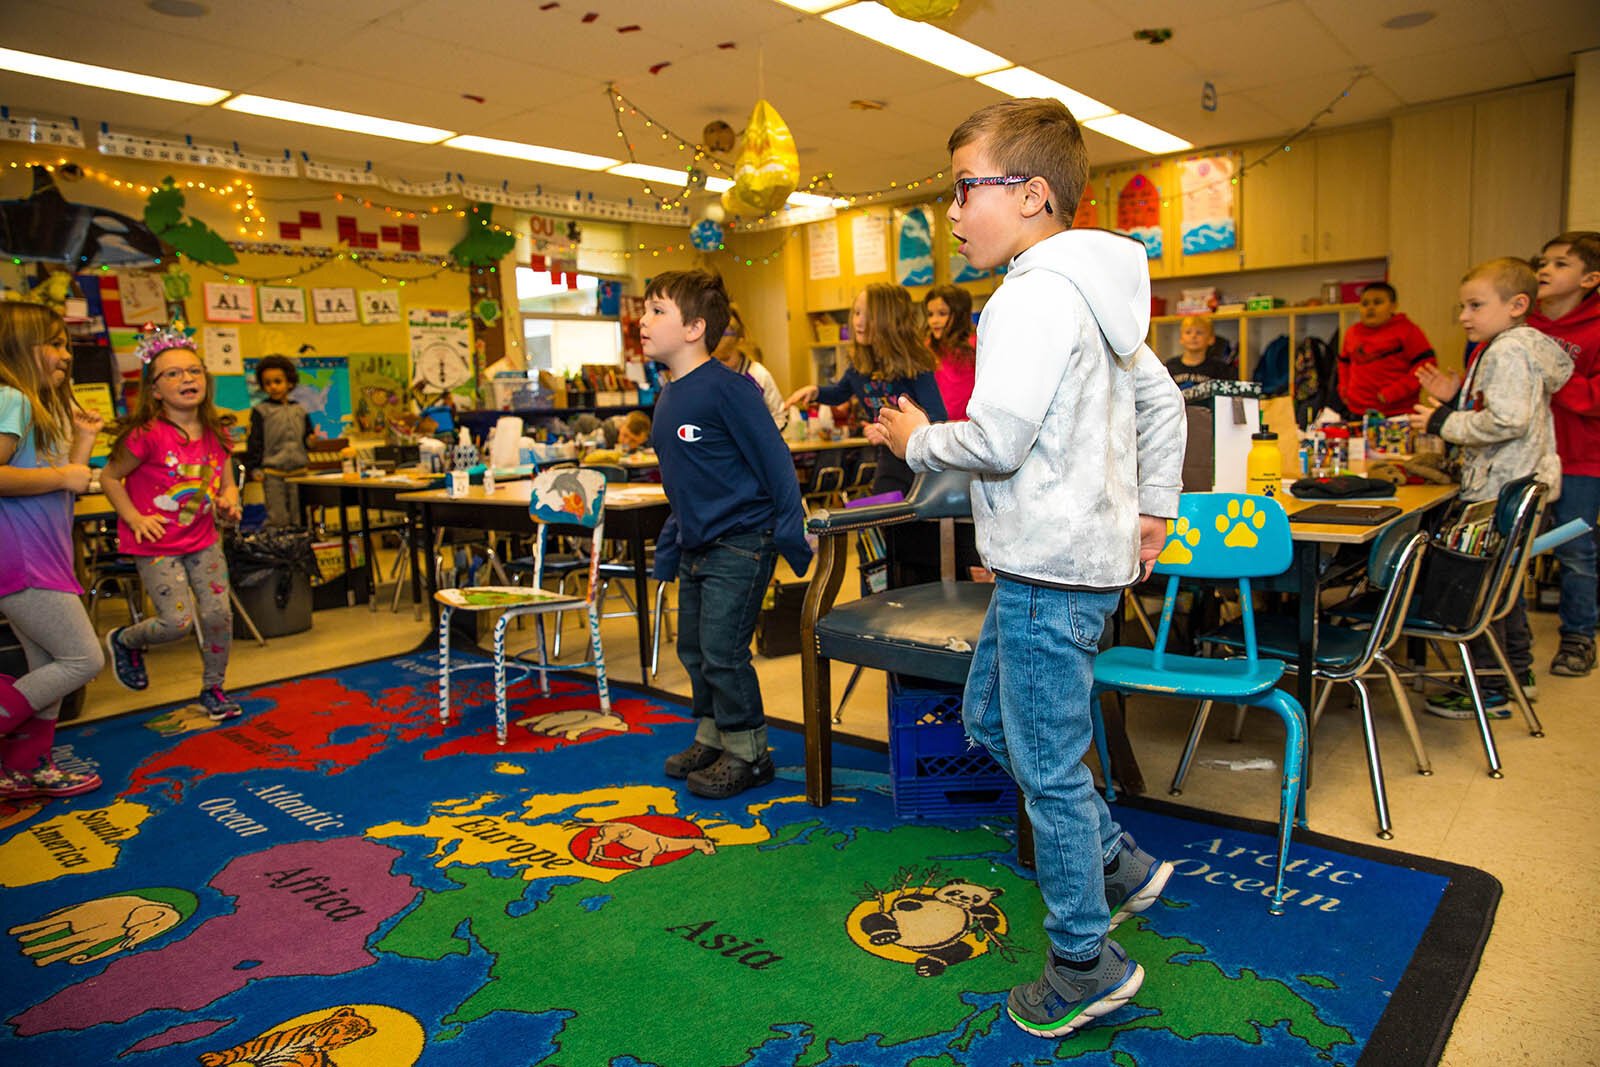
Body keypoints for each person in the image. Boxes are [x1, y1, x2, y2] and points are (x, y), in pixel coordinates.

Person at [868, 97, 1186, 1040]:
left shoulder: (1029, 296)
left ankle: (1085, 960)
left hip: (1051, 569)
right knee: (983, 717)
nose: (954, 212)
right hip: (1048, 564)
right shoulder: (1093, 289)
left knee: (1046, 769)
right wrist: (1154, 510)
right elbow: (1166, 408)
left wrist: (923, 440)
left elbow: (998, 439)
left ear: (1035, 194)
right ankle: (1118, 863)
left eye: (967, 188)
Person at [643, 270, 812, 799]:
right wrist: (672, 544)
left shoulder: (730, 389)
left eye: (656, 311)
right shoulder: (669, 397)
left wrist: (790, 532)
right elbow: (684, 484)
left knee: (722, 650)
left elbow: (776, 463)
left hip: (742, 540)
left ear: (694, 328)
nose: (641, 321)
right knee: (694, 650)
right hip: (698, 543)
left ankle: (749, 751)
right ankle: (713, 734)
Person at [1410, 258, 1573, 718]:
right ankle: (1515, 670)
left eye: (1476, 305)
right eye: (1462, 306)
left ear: (1518, 304)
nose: (1464, 316)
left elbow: (1507, 420)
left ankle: (1487, 686)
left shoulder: (1506, 350)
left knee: (1478, 587)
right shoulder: (1521, 348)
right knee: (1505, 587)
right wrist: (1456, 395)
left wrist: (1443, 420)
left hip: (1497, 489)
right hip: (1518, 483)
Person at [101, 326, 244, 722]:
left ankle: (214, 688)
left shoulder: (218, 433)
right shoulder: (145, 435)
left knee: (218, 615)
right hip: (157, 544)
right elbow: (109, 478)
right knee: (176, 622)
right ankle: (125, 640)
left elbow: (226, 481)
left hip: (202, 539)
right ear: (155, 390)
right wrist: (133, 517)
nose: (187, 379)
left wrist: (228, 500)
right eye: (174, 373)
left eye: (194, 371)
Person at [0, 304, 104, 800]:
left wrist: (80, 446)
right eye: (56, 343)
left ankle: (25, 767)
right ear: (19, 347)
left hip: (45, 555)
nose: (66, 355)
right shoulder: (11, 399)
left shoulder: (35, 407)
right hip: (23, 560)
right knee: (83, 659)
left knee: (48, 665)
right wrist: (65, 473)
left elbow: (65, 488)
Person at [785, 284, 947, 495]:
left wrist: (892, 431)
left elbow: (937, 417)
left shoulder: (914, 366)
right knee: (884, 519)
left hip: (919, 462)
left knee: (911, 524)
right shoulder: (859, 366)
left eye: (869, 316)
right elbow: (840, 392)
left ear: (890, 320)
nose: (859, 321)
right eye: (857, 313)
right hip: (889, 457)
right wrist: (816, 392)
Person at [1529, 232, 1600, 677]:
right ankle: (1506, 646)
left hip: (1580, 459)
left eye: (1559, 264)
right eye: (1543, 261)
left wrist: (1551, 376)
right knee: (1511, 553)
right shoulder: (1525, 325)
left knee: (1576, 553)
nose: (1545, 270)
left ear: (1591, 279)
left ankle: (1578, 637)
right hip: (1528, 462)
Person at [1338, 283, 1436, 417]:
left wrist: (1393, 393)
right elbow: (1344, 363)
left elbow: (1426, 366)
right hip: (1357, 411)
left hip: (1397, 412)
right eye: (1365, 304)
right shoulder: (1352, 332)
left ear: (1393, 306)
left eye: (1378, 302)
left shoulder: (1407, 330)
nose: (1370, 308)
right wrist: (1344, 389)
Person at [243, 354, 313, 528]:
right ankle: (280, 550)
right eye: (268, 383)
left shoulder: (300, 410)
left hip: (299, 473)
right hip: (273, 473)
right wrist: (255, 467)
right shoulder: (261, 411)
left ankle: (302, 549)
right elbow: (255, 442)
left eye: (277, 381)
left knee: (301, 517)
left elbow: (307, 439)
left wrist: (311, 441)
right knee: (278, 517)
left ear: (289, 383)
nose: (273, 387)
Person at [713, 306, 786, 428]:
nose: (722, 364)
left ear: (739, 343)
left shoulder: (758, 375)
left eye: (726, 358)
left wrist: (761, 439)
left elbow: (780, 416)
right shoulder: (706, 375)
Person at [925, 285, 977, 420]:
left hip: (969, 426)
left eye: (942, 314)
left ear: (959, 314)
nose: (934, 321)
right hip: (937, 426)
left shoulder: (974, 345)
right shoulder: (928, 347)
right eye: (930, 314)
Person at [1161, 315, 1234, 397]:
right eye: (1188, 332)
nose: (1193, 336)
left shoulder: (1220, 368)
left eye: (1199, 333)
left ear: (1211, 339)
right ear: (1181, 338)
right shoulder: (1169, 366)